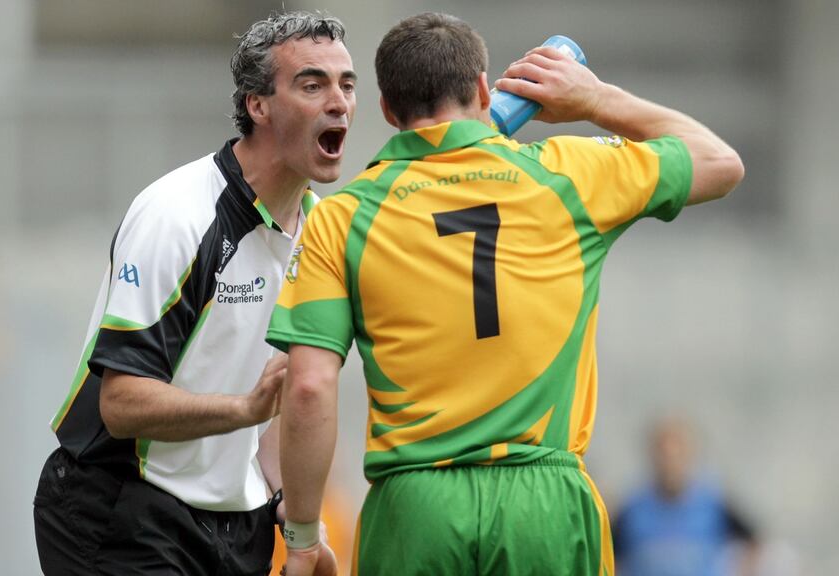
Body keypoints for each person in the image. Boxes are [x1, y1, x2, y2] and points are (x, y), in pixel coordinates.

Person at [266, 11, 743, 576]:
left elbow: (309, 387)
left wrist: (300, 536)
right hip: (543, 506)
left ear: (389, 111)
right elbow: (721, 163)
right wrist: (595, 100)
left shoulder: (341, 219)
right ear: (483, 90)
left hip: (415, 509)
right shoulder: (571, 174)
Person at [33, 11, 355, 575]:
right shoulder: (178, 214)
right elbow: (122, 403)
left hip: (237, 524)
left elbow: (278, 402)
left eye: (346, 85)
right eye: (313, 84)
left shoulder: (323, 230)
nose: (339, 102)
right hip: (121, 508)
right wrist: (243, 409)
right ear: (258, 105)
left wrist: (299, 525)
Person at [612, 417, 759, 576]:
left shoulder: (713, 504)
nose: (670, 463)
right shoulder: (632, 509)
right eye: (664, 455)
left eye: (677, 454)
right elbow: (609, 555)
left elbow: (754, 542)